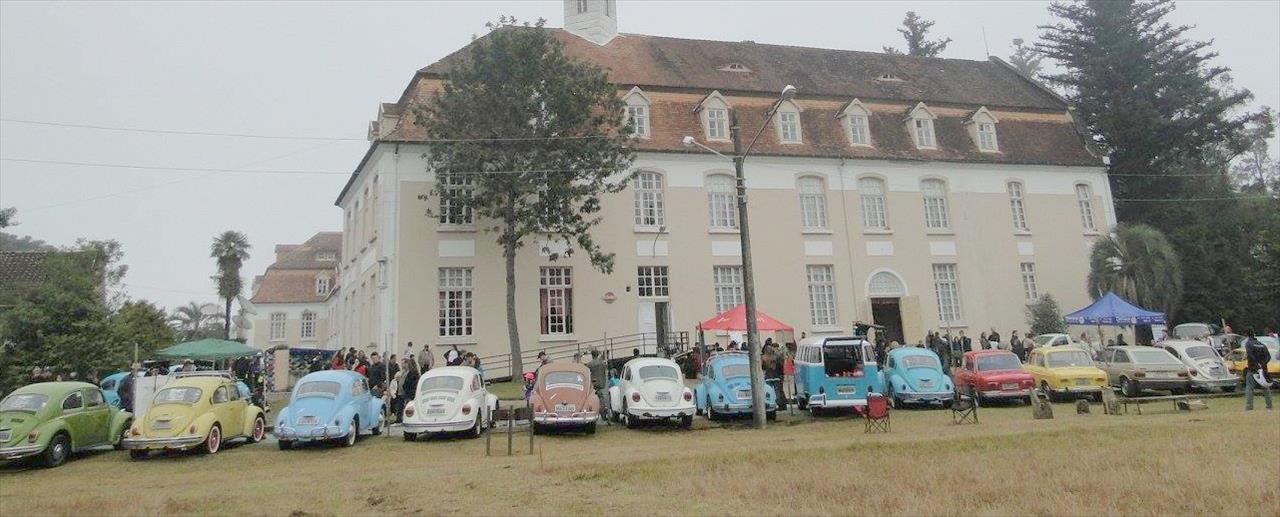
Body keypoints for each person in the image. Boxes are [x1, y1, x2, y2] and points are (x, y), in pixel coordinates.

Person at [1243, 333, 1274, 410]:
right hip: (1263, 369)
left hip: (1252, 369)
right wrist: (1263, 363)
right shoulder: (1262, 345)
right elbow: (1268, 357)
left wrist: (1256, 364)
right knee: (1265, 387)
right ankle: (1269, 405)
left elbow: (1250, 355)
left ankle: (1249, 406)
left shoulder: (1248, 344)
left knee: (1249, 388)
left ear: (1247, 335)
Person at [586, 349, 608, 421]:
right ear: (597, 354)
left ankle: (595, 412)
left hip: (593, 383)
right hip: (602, 383)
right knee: (602, 399)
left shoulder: (589, 364)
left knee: (594, 398)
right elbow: (605, 370)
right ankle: (603, 414)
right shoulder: (602, 363)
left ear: (592, 355)